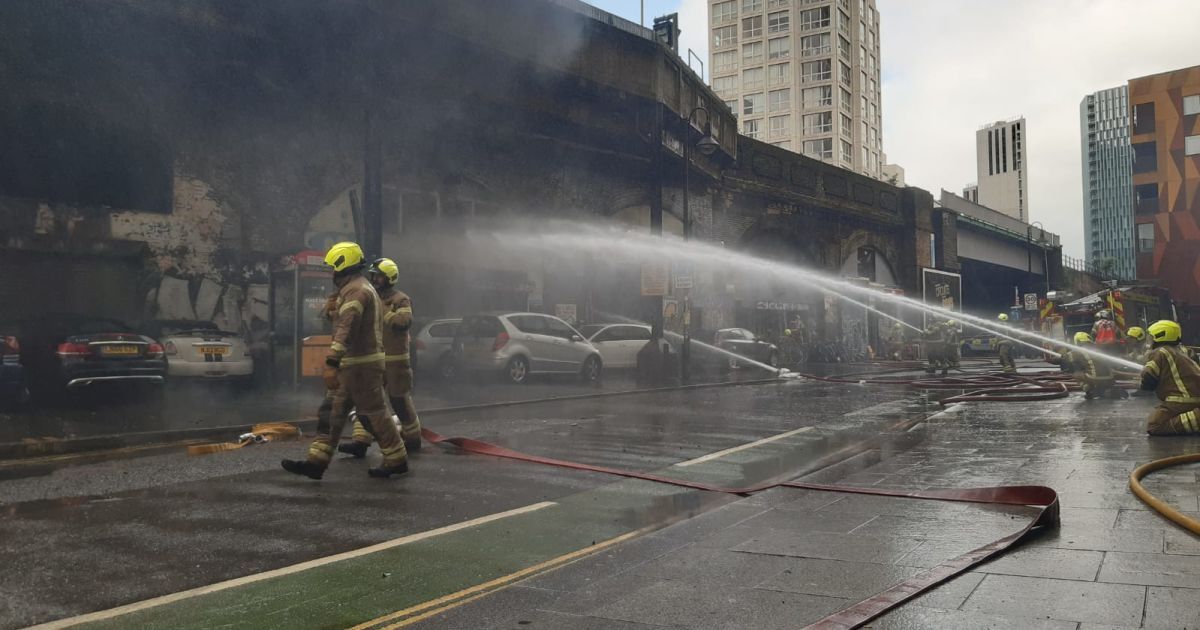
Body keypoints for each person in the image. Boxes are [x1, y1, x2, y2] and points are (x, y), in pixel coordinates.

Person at [281, 242, 409, 480]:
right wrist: (331, 310)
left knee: (373, 414)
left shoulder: (356, 291)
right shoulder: (355, 289)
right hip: (355, 365)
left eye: (334, 267)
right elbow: (340, 320)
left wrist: (332, 361)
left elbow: (347, 328)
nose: (332, 273)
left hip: (360, 366)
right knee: (332, 412)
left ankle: (396, 459)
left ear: (343, 264)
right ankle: (316, 462)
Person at [340, 258, 423, 457]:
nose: (374, 279)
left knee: (399, 399)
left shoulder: (400, 299)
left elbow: (403, 322)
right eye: (373, 275)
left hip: (396, 361)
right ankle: (360, 442)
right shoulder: (370, 297)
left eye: (378, 276)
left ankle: (413, 438)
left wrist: (383, 310)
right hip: (375, 359)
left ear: (389, 278)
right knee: (367, 401)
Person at [1140, 320, 1200, 435]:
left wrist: (1143, 384)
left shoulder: (1159, 352)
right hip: (1193, 396)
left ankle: (1197, 418)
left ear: (1160, 336)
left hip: (1181, 399)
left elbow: (1149, 376)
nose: (1149, 341)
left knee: (1155, 425)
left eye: (1151, 337)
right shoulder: (1183, 350)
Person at [1061, 332, 1123, 400]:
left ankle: (1089, 391)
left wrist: (1062, 357)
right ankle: (1105, 390)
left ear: (1078, 341)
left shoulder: (1078, 351)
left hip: (1095, 377)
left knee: (1076, 374)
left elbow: (1066, 358)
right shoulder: (1098, 347)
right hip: (1110, 377)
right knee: (1089, 370)